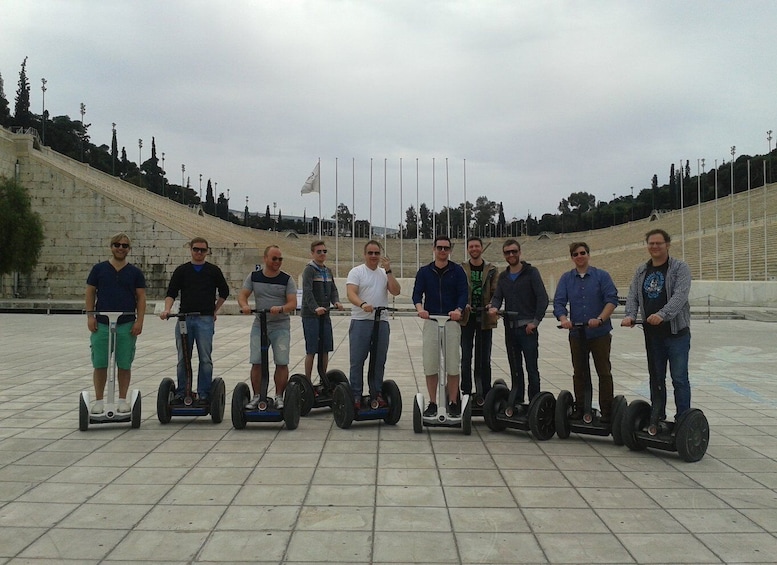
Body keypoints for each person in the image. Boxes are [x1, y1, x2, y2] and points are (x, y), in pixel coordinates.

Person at [621, 228, 692, 434]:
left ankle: (683, 421)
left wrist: (663, 314)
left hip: (676, 333)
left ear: (667, 245)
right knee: (656, 377)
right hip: (652, 335)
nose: (654, 247)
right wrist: (630, 315)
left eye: (658, 243)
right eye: (651, 243)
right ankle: (657, 417)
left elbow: (680, 296)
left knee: (679, 378)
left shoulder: (680, 268)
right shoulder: (642, 270)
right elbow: (633, 295)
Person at [160, 237, 230, 405]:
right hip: (184, 318)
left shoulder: (213, 270)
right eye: (196, 249)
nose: (199, 253)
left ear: (207, 252)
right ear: (190, 250)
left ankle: (204, 393)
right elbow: (171, 292)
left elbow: (224, 292)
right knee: (183, 357)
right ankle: (182, 391)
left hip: (204, 319)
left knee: (205, 358)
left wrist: (214, 310)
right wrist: (167, 309)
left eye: (203, 250)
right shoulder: (182, 270)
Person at [553, 242, 619, 421]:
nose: (579, 256)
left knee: (603, 371)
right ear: (572, 257)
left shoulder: (601, 276)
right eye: (575, 254)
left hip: (599, 333)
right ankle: (581, 408)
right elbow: (559, 302)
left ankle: (607, 411)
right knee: (579, 372)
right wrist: (564, 319)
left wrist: (600, 319)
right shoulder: (567, 278)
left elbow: (612, 299)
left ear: (588, 255)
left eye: (583, 253)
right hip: (577, 333)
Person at [85, 233, 146, 414]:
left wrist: (139, 321)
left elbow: (141, 297)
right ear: (111, 246)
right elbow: (90, 292)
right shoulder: (99, 269)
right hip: (102, 323)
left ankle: (122, 400)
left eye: (125, 246)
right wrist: (90, 316)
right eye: (117, 245)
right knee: (100, 363)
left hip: (126, 323)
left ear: (129, 249)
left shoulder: (135, 272)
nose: (121, 248)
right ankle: (98, 401)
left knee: (124, 363)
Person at [488, 239, 549, 410]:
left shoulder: (531, 273)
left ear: (519, 252)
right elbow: (498, 296)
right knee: (515, 368)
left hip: (528, 329)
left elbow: (542, 299)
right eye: (507, 252)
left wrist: (535, 322)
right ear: (504, 255)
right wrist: (494, 307)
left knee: (531, 369)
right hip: (511, 329)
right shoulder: (504, 276)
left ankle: (535, 404)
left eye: (514, 251)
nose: (511, 255)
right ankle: (518, 400)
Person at [412, 235, 468, 417]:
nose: (442, 251)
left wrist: (458, 309)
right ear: (434, 249)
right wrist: (420, 309)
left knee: (453, 364)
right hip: (432, 321)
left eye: (446, 248)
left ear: (450, 250)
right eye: (439, 248)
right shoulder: (424, 271)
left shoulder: (457, 271)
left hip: (451, 322)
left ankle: (453, 402)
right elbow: (417, 294)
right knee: (430, 363)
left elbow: (463, 293)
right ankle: (433, 403)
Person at [238, 245, 297, 409]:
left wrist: (282, 308)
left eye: (280, 259)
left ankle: (279, 396)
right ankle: (257, 395)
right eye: (274, 259)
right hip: (260, 324)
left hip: (280, 326)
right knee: (256, 361)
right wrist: (244, 305)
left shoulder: (287, 279)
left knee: (281, 361)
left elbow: (292, 303)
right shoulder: (254, 276)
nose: (277, 262)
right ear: (265, 259)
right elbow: (243, 295)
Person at [346, 240, 401, 409]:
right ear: (365, 254)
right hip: (361, 321)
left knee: (378, 360)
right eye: (370, 253)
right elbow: (350, 293)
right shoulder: (357, 272)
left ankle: (376, 393)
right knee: (357, 360)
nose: (373, 256)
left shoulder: (384, 273)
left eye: (376, 253)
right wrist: (362, 304)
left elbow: (396, 291)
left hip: (381, 322)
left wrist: (389, 271)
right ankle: (355, 395)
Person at [459, 237, 499, 400]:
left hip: (484, 317)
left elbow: (496, 291)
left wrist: (492, 304)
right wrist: (463, 304)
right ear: (468, 249)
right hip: (467, 318)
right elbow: (459, 289)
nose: (474, 249)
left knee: (484, 357)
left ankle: (485, 392)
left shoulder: (491, 269)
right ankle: (466, 391)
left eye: (477, 246)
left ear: (482, 248)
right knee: (466, 356)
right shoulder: (461, 268)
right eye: (471, 246)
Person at [301, 240, 344, 383]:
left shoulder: (327, 270)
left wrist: (336, 301)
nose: (322, 254)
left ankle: (322, 379)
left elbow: (333, 290)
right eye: (319, 251)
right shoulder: (309, 270)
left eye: (324, 251)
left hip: (325, 314)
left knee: (325, 348)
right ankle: (307, 381)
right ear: (312, 253)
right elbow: (307, 291)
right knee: (312, 349)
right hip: (311, 316)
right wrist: (314, 307)